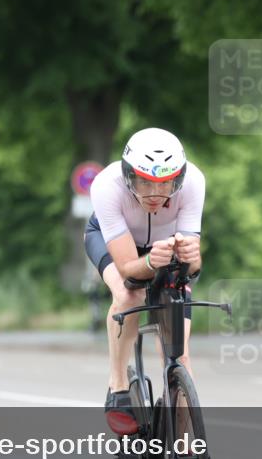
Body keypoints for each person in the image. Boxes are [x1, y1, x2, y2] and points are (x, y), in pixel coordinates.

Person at [83, 128, 205, 438]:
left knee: (179, 350)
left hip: (164, 248)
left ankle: (183, 443)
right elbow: (128, 271)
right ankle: (118, 386)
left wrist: (192, 256)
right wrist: (151, 261)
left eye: (166, 183)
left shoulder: (193, 183)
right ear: (128, 177)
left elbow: (192, 268)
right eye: (144, 182)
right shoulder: (106, 186)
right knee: (129, 296)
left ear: (178, 178)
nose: (155, 193)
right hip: (116, 245)